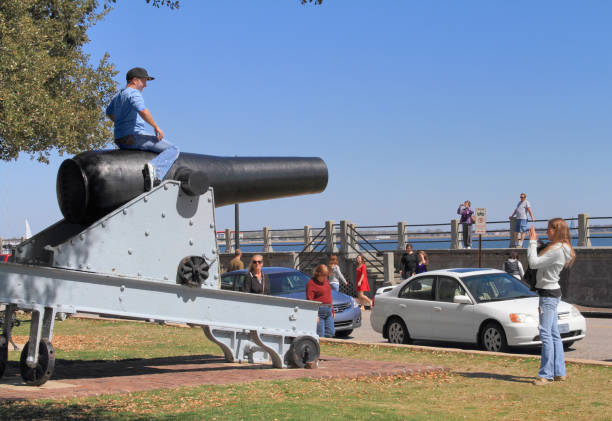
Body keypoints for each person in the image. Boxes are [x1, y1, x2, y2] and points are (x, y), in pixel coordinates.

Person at [106, 67, 180, 191]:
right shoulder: (134, 93)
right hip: (134, 136)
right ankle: (154, 171)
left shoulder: (119, 96)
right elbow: (143, 111)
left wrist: (120, 123)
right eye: (144, 81)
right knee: (173, 149)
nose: (145, 85)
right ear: (135, 80)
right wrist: (156, 127)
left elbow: (108, 112)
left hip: (120, 139)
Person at [527, 219, 575, 385]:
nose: (547, 232)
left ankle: (546, 374)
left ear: (557, 230)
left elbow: (533, 262)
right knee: (554, 334)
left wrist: (532, 242)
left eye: (549, 229)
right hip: (553, 292)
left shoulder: (556, 250)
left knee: (546, 333)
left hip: (548, 294)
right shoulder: (564, 248)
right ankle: (559, 371)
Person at [306, 264, 335, 338]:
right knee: (320, 335)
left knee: (330, 332)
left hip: (328, 310)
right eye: (323, 276)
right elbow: (310, 300)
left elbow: (329, 295)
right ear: (318, 274)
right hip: (319, 312)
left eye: (326, 276)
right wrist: (315, 315)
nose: (325, 278)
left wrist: (332, 310)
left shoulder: (326, 281)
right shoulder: (311, 283)